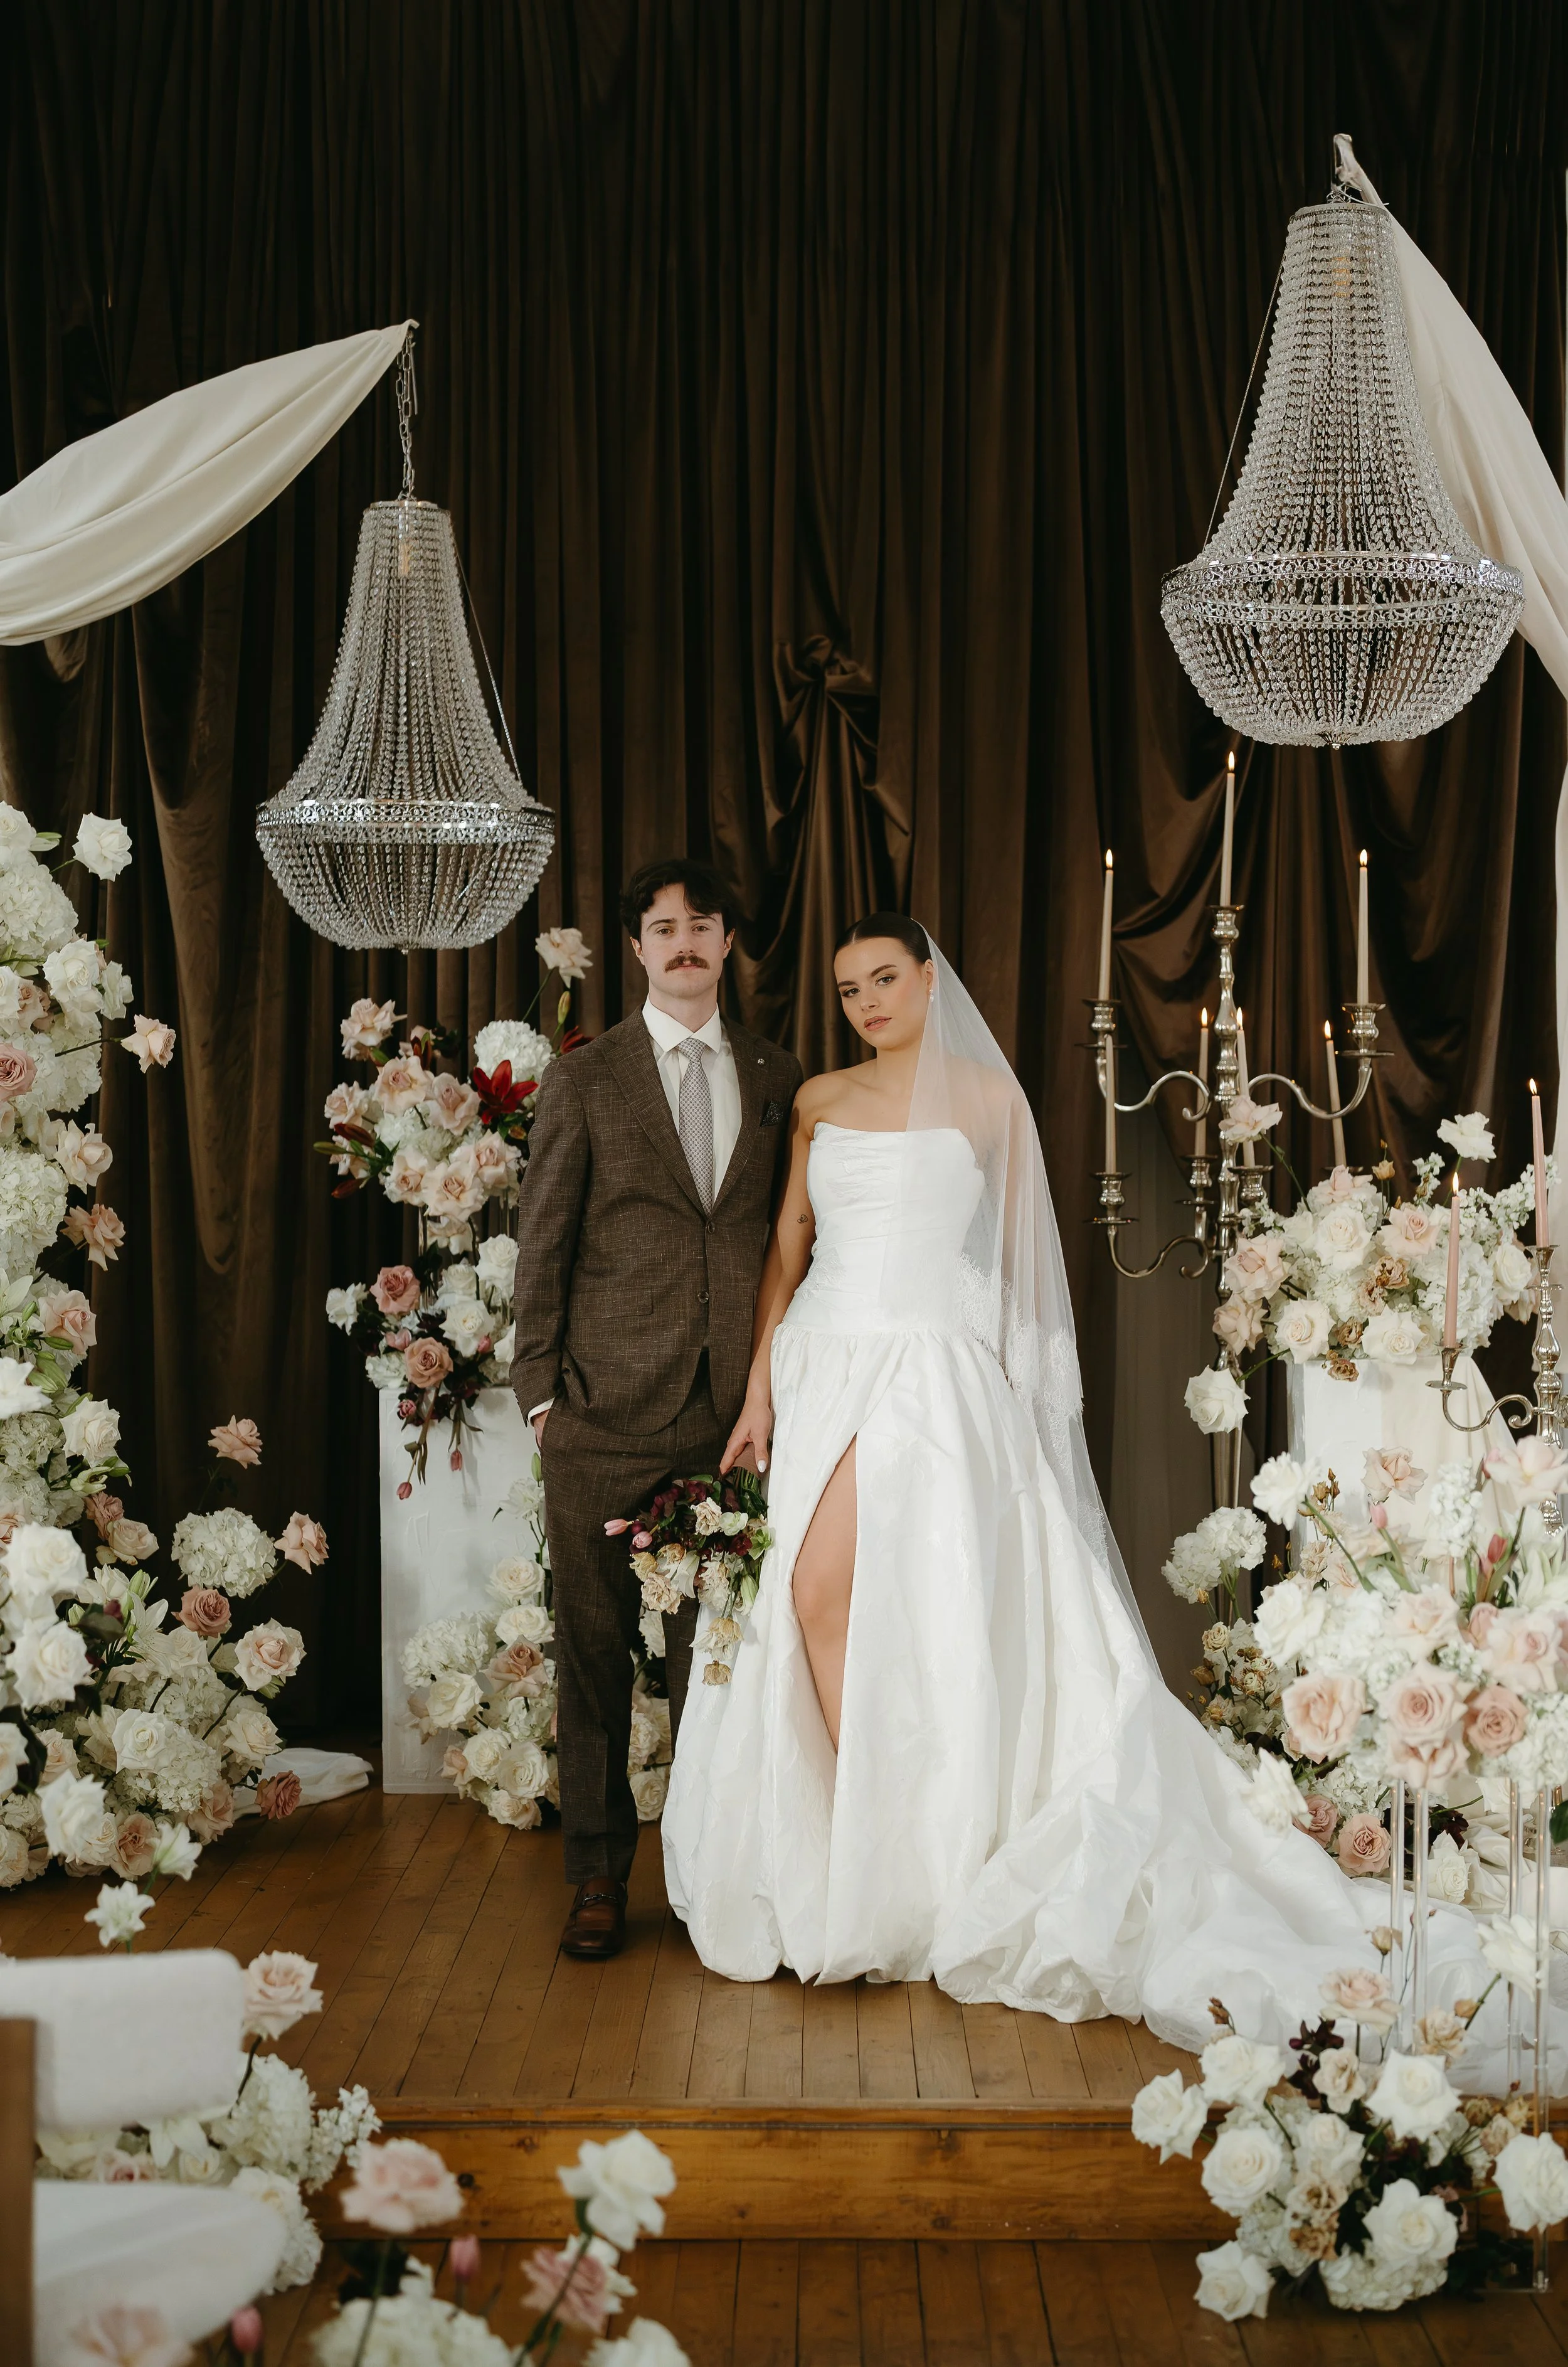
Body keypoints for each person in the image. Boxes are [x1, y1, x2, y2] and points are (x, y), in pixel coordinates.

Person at [661, 915, 1383, 2051]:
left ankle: (911, 1850)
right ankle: (869, 1847)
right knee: (806, 1601)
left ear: (927, 979)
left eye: (885, 980)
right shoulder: (817, 1101)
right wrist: (758, 1394)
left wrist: (1019, 1410)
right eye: (849, 988)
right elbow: (788, 1247)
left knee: (931, 1606)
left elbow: (1017, 1265)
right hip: (820, 1361)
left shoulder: (991, 1105)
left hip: (938, 1370)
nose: (867, 1003)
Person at [511, 859, 802, 1960]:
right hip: (596, 1415)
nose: (683, 943)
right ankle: (595, 1877)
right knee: (591, 1656)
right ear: (636, 949)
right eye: (662, 928)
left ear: (729, 944)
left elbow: (790, 1238)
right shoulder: (586, 1080)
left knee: (711, 1668)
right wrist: (542, 1400)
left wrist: (770, 1393)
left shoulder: (779, 1076)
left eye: (702, 926)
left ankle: (705, 1874)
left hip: (724, 1420)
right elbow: (545, 1245)